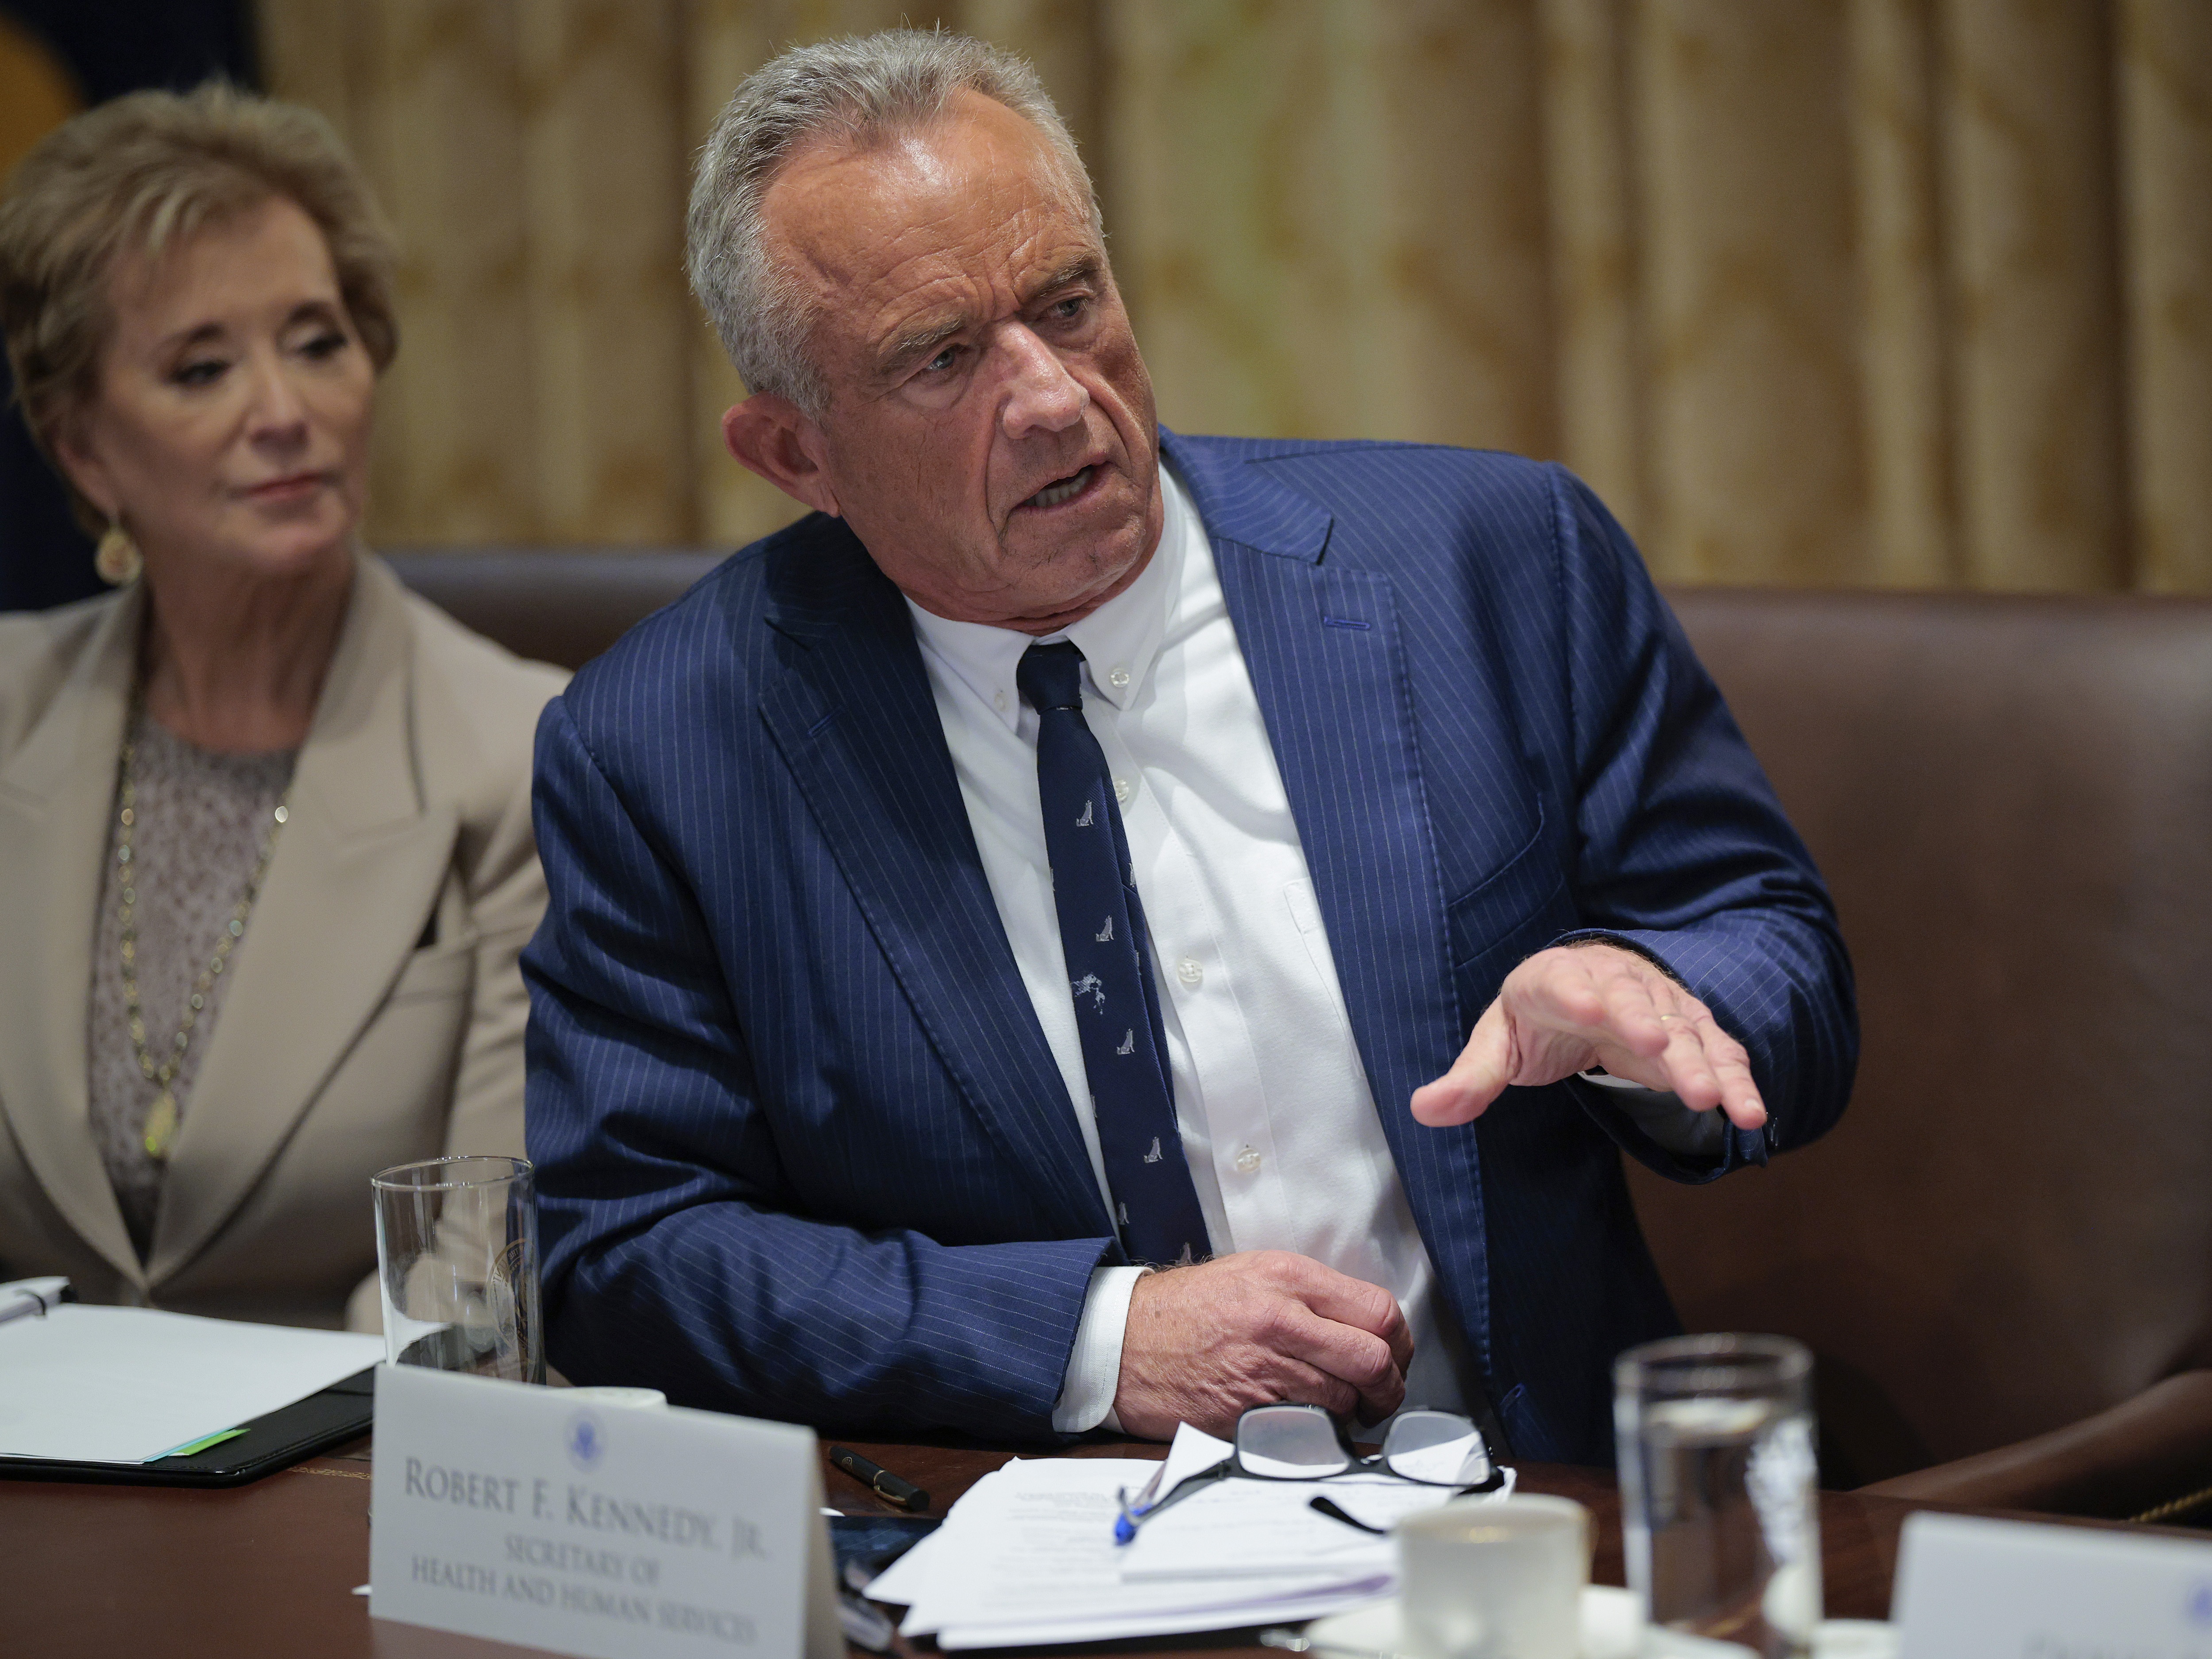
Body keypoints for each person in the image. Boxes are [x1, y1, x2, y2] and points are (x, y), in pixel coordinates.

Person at [524, 32, 1855, 1464]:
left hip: (1524, 1518)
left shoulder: (1486, 562)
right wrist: (1097, 1341)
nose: (1048, 396)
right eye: (942, 358)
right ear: (797, 457)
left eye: (1068, 300)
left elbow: (1773, 944)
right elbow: (627, 1254)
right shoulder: (663, 748)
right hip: (1038, 1556)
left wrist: (1649, 1001)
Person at [0, 85, 565, 1330]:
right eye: (202, 367)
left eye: (317, 342)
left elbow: (476, 1286)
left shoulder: (524, 755)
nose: (283, 412)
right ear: (85, 452)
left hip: (331, 1477)